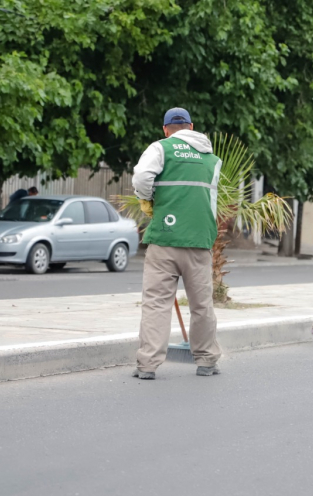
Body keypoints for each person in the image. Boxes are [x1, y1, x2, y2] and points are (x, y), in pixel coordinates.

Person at [131, 107, 222, 379]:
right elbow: (212, 202)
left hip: (165, 237)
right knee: (202, 304)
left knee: (156, 302)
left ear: (165, 129)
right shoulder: (212, 159)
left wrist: (147, 199)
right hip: (199, 239)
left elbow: (141, 177)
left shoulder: (160, 149)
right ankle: (206, 361)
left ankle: (147, 365)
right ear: (191, 127)